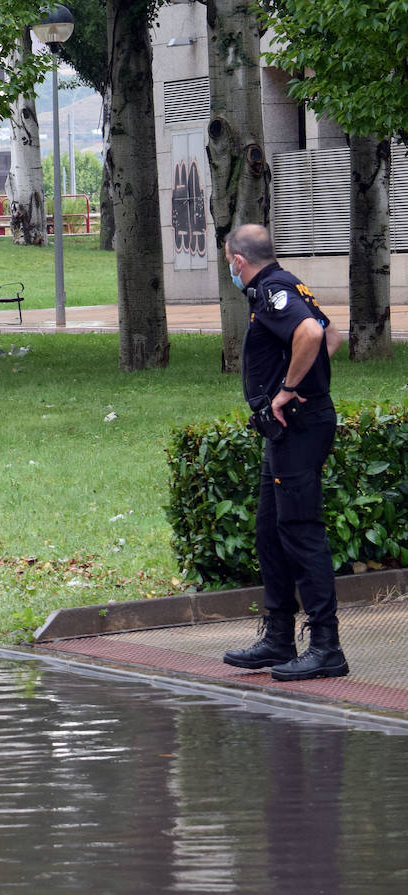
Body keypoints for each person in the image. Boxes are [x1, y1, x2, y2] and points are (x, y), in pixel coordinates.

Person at [221, 224, 348, 681]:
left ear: (238, 261)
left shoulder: (273, 290)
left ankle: (326, 647)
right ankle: (278, 637)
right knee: (270, 532)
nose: (229, 270)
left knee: (300, 530)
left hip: (297, 426)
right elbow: (333, 337)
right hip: (285, 431)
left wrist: (289, 390)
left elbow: (313, 335)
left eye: (227, 262)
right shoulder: (288, 284)